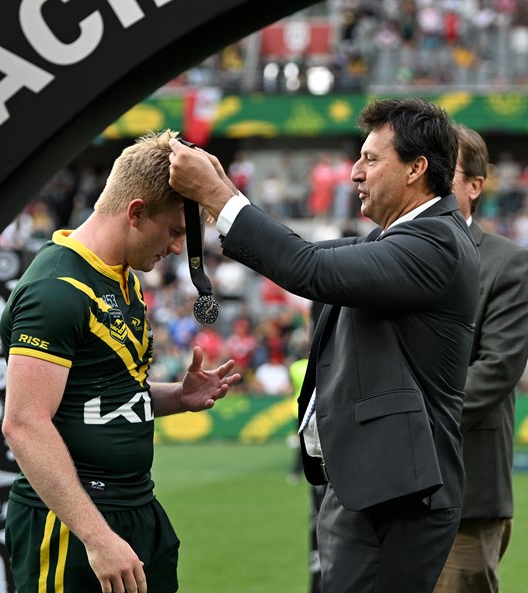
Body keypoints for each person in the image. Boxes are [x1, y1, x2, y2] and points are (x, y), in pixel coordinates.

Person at [169, 98, 480, 593]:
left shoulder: (435, 241)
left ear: (417, 169)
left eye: (371, 160)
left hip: (400, 494)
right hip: (372, 485)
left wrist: (215, 194)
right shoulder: (398, 239)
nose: (354, 174)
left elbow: (309, 269)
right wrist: (221, 191)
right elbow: (304, 255)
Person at [0, 130, 242, 593]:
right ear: (135, 212)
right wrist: (96, 538)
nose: (177, 248)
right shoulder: (56, 289)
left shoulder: (121, 278)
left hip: (136, 508)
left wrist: (176, 397)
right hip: (73, 525)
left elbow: (103, 394)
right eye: (174, 231)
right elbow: (25, 423)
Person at [434, 124, 528, 593]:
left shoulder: (508, 262)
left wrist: (406, 422)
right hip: (381, 496)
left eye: (444, 172)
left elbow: (495, 370)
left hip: (465, 492)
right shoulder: (383, 253)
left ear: (475, 186)